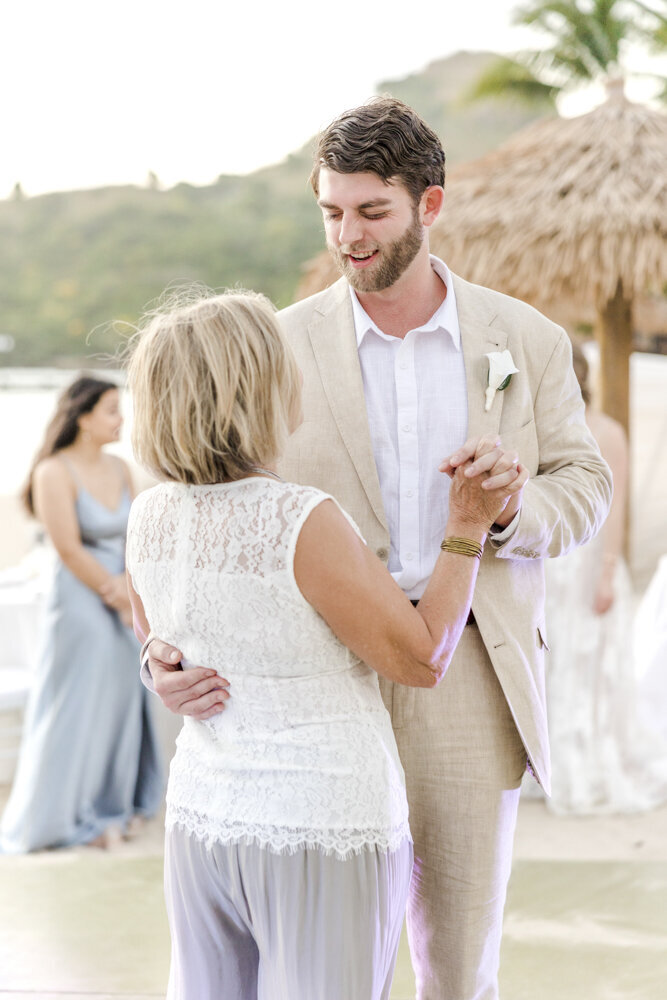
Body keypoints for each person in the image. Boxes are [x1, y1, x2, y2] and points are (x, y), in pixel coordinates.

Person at [145, 98, 613, 1000]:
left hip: (469, 670)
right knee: (320, 951)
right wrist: (163, 650)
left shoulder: (527, 339)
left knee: (457, 957)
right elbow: (210, 518)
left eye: (371, 212)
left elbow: (584, 486)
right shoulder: (275, 343)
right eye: (331, 212)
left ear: (429, 206)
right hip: (315, 681)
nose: (347, 236)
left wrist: (510, 508)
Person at [124, 288, 523, 1000]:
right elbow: (423, 655)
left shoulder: (149, 513)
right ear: (258, 386)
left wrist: (158, 668)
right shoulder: (298, 518)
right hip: (320, 820)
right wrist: (466, 523)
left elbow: (155, 633)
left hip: (202, 817)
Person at [0, 375, 162, 853]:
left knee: (122, 701)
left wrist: (132, 591)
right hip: (80, 600)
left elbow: (138, 534)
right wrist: (113, 592)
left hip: (126, 597)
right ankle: (67, 814)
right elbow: (67, 548)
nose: (121, 419)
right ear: (84, 416)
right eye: (112, 409)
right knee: (77, 703)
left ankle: (116, 804)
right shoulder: (54, 470)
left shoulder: (119, 467)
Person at [536, 343, 667, 813]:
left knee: (594, 663)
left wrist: (608, 572)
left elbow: (616, 511)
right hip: (554, 565)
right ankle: (551, 762)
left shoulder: (607, 432)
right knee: (555, 663)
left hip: (592, 562)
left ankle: (589, 760)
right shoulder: (544, 432)